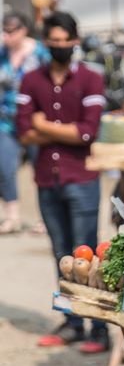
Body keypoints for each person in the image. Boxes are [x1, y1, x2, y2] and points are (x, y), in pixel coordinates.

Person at [16, 11, 109, 353]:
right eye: (52, 42)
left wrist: (44, 126)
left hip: (80, 179)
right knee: (61, 255)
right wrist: (53, 130)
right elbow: (24, 131)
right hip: (47, 180)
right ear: (45, 44)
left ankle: (99, 329)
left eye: (63, 41)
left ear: (75, 42)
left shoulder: (91, 80)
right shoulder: (31, 80)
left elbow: (87, 132)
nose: (58, 47)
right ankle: (72, 322)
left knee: (87, 254)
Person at [0, 12, 50, 234]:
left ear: (23, 30)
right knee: (4, 167)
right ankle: (13, 217)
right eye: (4, 30)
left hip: (35, 120)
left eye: (11, 31)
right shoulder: (2, 53)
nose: (6, 35)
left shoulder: (39, 53)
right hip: (7, 121)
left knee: (41, 169)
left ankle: (45, 217)